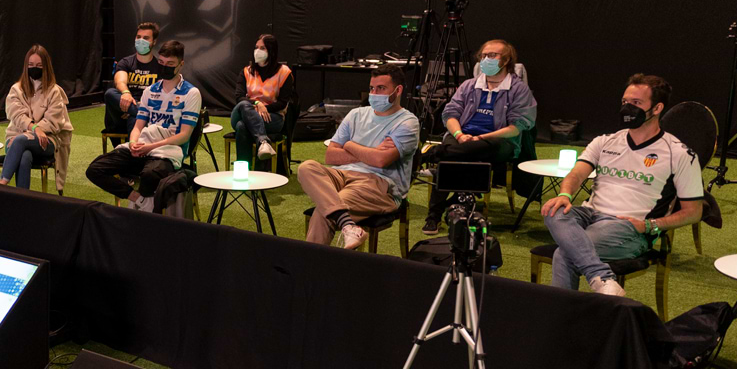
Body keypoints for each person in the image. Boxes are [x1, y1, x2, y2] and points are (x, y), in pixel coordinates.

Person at [542, 73, 704, 296]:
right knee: (554, 210)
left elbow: (694, 212)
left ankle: (563, 311)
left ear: (657, 108)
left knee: (565, 254)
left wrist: (649, 226)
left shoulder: (679, 154)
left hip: (629, 227)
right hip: (590, 214)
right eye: (625, 102)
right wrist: (565, 194)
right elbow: (576, 174)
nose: (628, 108)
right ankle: (601, 278)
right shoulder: (605, 141)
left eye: (636, 103)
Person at [420, 39, 538, 234]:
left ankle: (433, 155)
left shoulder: (518, 89)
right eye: (483, 55)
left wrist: (481, 138)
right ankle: (438, 213)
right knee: (456, 158)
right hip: (461, 137)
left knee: (461, 154)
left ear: (506, 59)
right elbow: (450, 114)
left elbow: (517, 126)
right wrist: (459, 135)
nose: (486, 59)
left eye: (492, 55)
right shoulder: (469, 85)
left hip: (498, 140)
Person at [296, 64, 420, 248]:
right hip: (342, 174)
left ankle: (311, 266)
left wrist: (349, 144)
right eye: (372, 88)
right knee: (307, 167)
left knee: (326, 210)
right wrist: (372, 151)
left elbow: (380, 161)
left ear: (398, 90)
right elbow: (331, 156)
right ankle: (348, 226)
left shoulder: (408, 122)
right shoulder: (356, 114)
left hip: (379, 183)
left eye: (381, 88)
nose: (374, 93)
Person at [86, 40, 202, 211]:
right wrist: (133, 143)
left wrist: (150, 147)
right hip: (143, 146)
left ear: (181, 64)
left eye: (170, 64)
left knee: (149, 175)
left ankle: (146, 215)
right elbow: (138, 127)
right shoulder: (150, 91)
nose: (164, 67)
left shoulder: (191, 93)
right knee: (95, 169)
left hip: (169, 152)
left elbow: (184, 135)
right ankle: (139, 200)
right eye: (161, 62)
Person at [0, 44, 74, 191]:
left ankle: (1, 184)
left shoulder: (54, 91)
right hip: (15, 137)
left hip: (47, 139)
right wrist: (34, 129)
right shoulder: (16, 89)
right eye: (31, 65)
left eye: (39, 65)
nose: (34, 68)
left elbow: (53, 122)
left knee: (20, 140)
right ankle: (23, 199)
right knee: (24, 156)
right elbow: (16, 115)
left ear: (46, 67)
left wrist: (33, 131)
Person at [230, 33, 293, 165]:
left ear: (272, 51)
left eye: (262, 48)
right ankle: (263, 141)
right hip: (244, 111)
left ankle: (245, 170)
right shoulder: (246, 71)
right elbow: (239, 97)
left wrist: (264, 109)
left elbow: (282, 103)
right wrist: (257, 104)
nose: (257, 51)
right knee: (243, 105)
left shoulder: (284, 72)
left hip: (272, 117)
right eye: (256, 47)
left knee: (242, 126)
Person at [104, 22, 162, 134]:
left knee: (135, 118)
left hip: (144, 108)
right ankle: (139, 112)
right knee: (110, 93)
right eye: (138, 37)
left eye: (146, 38)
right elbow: (120, 82)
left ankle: (137, 113)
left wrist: (135, 109)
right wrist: (126, 93)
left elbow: (160, 93)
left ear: (154, 41)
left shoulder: (159, 66)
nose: (141, 40)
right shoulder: (125, 62)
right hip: (122, 110)